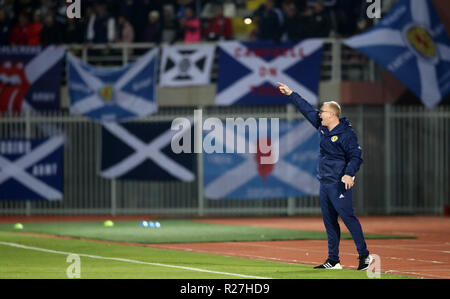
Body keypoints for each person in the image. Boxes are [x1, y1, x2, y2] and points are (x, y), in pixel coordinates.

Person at [277, 82, 374, 271]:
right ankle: (333, 260)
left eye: (322, 111)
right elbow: (306, 109)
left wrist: (348, 174)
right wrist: (291, 93)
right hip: (325, 182)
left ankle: (365, 256)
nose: (319, 113)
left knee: (348, 218)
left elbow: (356, 156)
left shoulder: (346, 134)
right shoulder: (322, 127)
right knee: (329, 222)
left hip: (339, 183)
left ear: (332, 115)